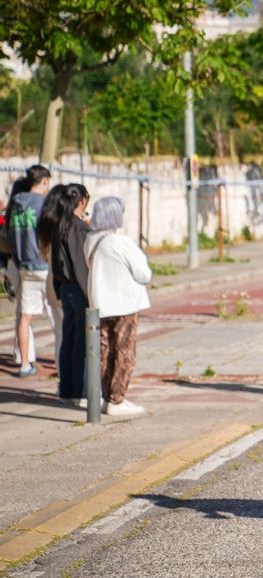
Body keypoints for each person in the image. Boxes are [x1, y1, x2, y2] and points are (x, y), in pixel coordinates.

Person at [84, 197, 152, 416]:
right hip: (124, 304)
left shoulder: (90, 241)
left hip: (99, 303)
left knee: (104, 351)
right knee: (124, 352)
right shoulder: (120, 241)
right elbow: (144, 272)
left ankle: (106, 397)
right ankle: (117, 399)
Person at [39, 183, 91, 406]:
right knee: (81, 342)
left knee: (68, 340)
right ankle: (79, 390)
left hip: (66, 288)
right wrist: (89, 293)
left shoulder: (60, 224)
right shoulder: (77, 227)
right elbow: (80, 264)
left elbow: (58, 264)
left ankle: (67, 388)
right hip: (78, 289)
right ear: (82, 201)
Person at [6, 166, 52, 378]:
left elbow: (8, 235)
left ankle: (24, 364)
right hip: (44, 265)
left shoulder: (15, 205)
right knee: (58, 316)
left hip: (23, 265)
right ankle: (64, 365)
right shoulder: (44, 204)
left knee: (25, 316)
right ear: (44, 181)